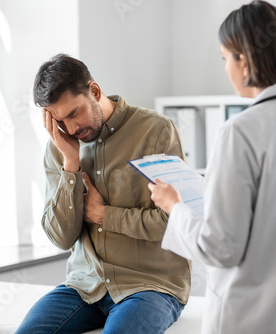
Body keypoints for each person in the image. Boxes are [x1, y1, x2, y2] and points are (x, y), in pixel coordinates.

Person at [148, 1, 276, 334]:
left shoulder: (240, 131)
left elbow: (220, 247)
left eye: (224, 58)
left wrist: (174, 205)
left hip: (257, 320)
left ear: (243, 59)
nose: (225, 68)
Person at [15, 54, 191, 334]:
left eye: (74, 113)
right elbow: (61, 238)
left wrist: (104, 215)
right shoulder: (59, 148)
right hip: (84, 287)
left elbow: (174, 223)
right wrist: (71, 166)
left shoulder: (155, 131)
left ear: (94, 91)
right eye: (59, 121)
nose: (71, 129)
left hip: (149, 286)